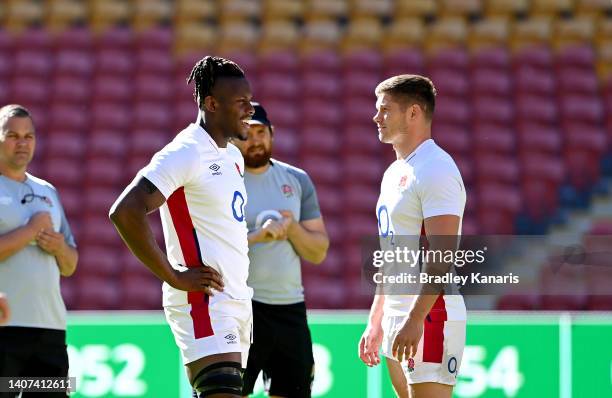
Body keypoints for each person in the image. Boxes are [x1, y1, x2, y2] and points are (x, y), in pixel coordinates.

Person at [109, 56, 255, 398]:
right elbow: (125, 211)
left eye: (250, 99)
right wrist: (173, 275)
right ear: (211, 104)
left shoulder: (232, 155)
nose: (250, 108)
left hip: (235, 299)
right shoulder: (186, 151)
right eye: (240, 102)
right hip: (203, 302)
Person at [358, 75, 467, 398]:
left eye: (385, 110)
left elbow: (443, 255)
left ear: (414, 113)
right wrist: (377, 318)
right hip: (396, 311)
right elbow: (391, 253)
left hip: (430, 313)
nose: (376, 117)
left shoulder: (437, 168)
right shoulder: (395, 172)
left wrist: (415, 318)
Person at [231, 103, 329, 398]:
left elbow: (318, 251)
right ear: (235, 137)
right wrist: (257, 236)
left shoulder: (297, 180)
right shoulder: (224, 182)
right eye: (247, 133)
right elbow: (210, 248)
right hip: (241, 308)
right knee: (229, 392)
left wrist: (293, 229)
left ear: (272, 134)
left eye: (261, 131)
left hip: (290, 310)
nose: (255, 139)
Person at [0, 104, 78, 396]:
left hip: (49, 331)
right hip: (5, 328)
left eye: (28, 136)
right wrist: (29, 232)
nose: (22, 143)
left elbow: (71, 265)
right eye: (12, 135)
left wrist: (58, 247)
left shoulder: (47, 191)